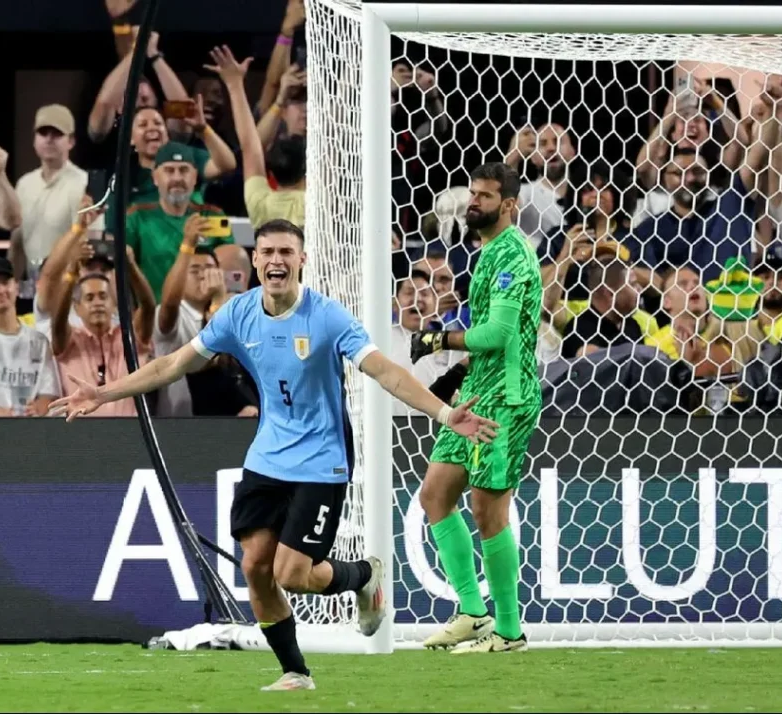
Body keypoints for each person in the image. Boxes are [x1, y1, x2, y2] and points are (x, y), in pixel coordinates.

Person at [50, 218, 498, 691]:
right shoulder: (238, 314)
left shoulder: (326, 317)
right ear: (255, 260)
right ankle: (295, 673)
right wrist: (103, 394)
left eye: (287, 252)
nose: (277, 260)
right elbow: (172, 363)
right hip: (267, 457)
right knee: (255, 567)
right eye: (268, 252)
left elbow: (385, 372)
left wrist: (445, 413)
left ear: (302, 260)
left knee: (293, 573)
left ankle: (364, 575)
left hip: (323, 458)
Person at [409, 162, 543, 653]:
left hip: (506, 398)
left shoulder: (509, 256)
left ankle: (509, 631)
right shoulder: (485, 252)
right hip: (476, 394)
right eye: (473, 194)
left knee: (489, 512)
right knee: (435, 494)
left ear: (509, 205)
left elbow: (500, 334)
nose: (473, 203)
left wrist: (440, 336)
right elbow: (488, 340)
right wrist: (452, 378)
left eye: (484, 197)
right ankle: (471, 612)